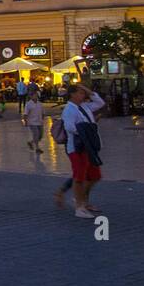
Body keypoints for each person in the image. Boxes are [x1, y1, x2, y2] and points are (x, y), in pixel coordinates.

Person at [56, 84, 104, 218]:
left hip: (89, 146)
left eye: (84, 93)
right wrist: (89, 128)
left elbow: (100, 102)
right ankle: (79, 207)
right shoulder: (69, 110)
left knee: (94, 176)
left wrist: (85, 88)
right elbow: (70, 128)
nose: (84, 95)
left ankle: (83, 201)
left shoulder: (84, 106)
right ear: (73, 94)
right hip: (77, 147)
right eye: (81, 93)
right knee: (79, 177)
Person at [23, 90, 45, 155]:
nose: (35, 96)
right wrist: (26, 121)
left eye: (36, 95)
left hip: (39, 122)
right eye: (34, 95)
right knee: (36, 134)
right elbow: (25, 114)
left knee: (40, 136)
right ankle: (37, 148)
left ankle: (31, 142)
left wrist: (42, 119)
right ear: (31, 96)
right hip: (32, 122)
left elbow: (43, 112)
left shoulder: (40, 104)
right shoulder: (28, 104)